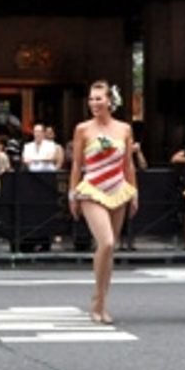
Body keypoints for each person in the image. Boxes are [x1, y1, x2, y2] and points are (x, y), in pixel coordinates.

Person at [68, 82, 138, 324]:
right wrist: (72, 194)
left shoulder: (124, 129)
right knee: (106, 242)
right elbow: (77, 164)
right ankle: (96, 300)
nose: (94, 103)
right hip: (92, 189)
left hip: (118, 188)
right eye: (91, 99)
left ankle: (102, 303)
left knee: (110, 249)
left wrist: (134, 192)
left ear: (110, 101)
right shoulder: (83, 129)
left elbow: (128, 163)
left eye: (99, 98)